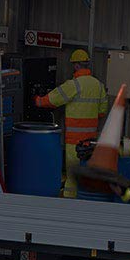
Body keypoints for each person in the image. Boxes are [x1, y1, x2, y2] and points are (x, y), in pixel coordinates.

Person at [34, 49, 108, 199]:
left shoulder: (73, 85)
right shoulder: (98, 85)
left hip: (74, 142)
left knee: (72, 175)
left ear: (75, 66)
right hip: (91, 141)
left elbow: (52, 100)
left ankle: (69, 202)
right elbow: (102, 112)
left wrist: (37, 100)